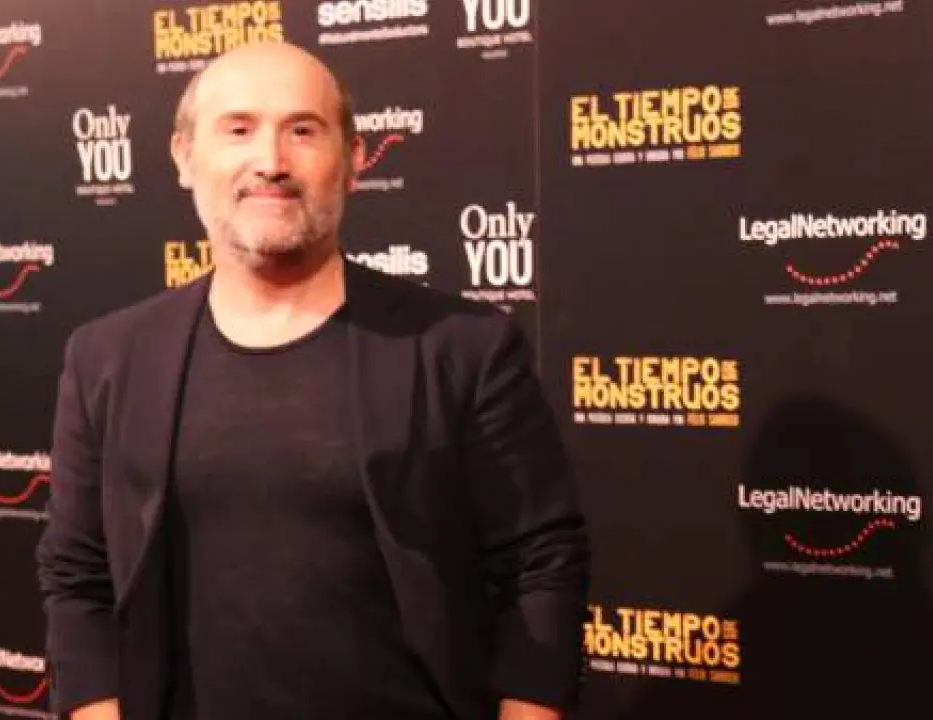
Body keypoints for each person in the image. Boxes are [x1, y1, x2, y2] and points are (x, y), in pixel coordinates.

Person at [36, 41, 591, 720]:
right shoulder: (107, 357)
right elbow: (77, 575)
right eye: (238, 129)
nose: (271, 161)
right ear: (183, 156)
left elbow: (542, 563)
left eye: (303, 130)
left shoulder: (464, 348)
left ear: (354, 160)